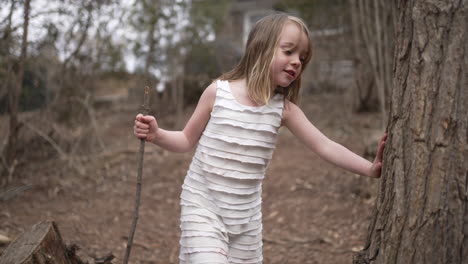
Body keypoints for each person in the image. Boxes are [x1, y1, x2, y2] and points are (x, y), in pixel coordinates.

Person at [133, 13, 386, 264]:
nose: (297, 61)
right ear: (260, 48)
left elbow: (325, 146)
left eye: (302, 57)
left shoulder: (284, 110)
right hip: (203, 208)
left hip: (246, 220)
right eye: (288, 51)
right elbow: (186, 140)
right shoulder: (217, 93)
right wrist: (157, 134)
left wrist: (370, 168)